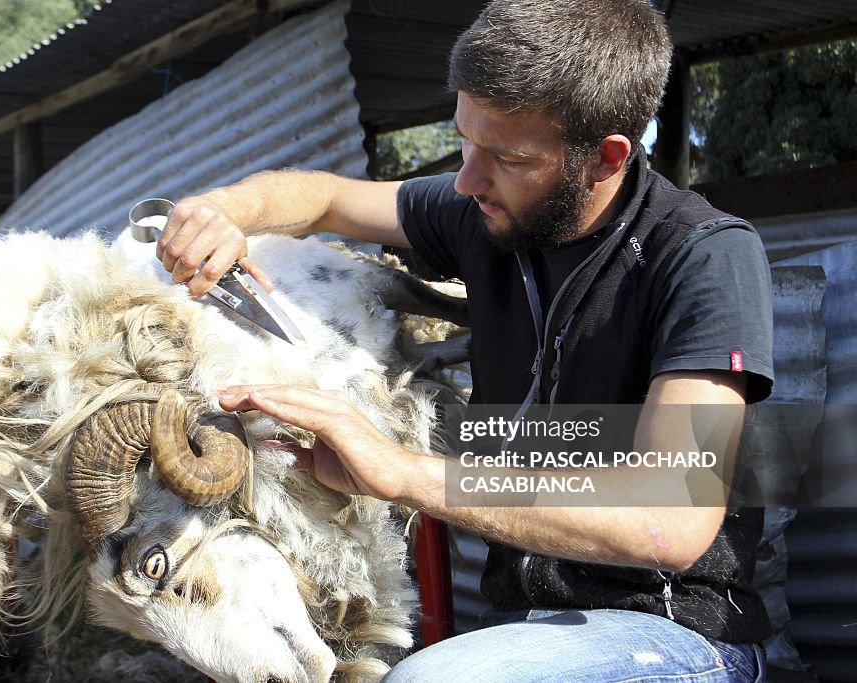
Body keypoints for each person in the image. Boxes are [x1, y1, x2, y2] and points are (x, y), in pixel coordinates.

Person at [154, 0, 774, 680]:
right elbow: (326, 197)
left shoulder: (703, 257)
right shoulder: (484, 213)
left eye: (507, 156)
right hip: (520, 627)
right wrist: (225, 211)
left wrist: (400, 472)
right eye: (465, 139)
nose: (467, 178)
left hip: (670, 631)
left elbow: (671, 519)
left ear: (605, 158)